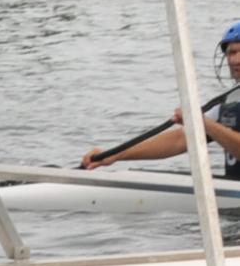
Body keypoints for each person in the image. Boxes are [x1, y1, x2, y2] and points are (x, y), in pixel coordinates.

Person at [80, 19, 240, 180]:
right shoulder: (228, 102)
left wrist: (202, 122)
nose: (235, 60)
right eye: (231, 53)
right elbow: (179, 139)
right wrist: (115, 155)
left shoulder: (213, 116)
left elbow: (207, 126)